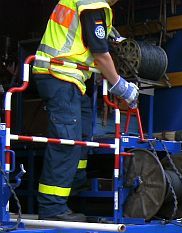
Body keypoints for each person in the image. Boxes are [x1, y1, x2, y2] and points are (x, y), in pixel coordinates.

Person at [33, 0, 138, 221]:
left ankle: (75, 188)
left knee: (81, 137)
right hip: (59, 75)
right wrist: (121, 87)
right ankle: (52, 208)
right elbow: (100, 54)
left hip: (70, 78)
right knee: (67, 142)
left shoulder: (87, 5)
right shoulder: (91, 5)